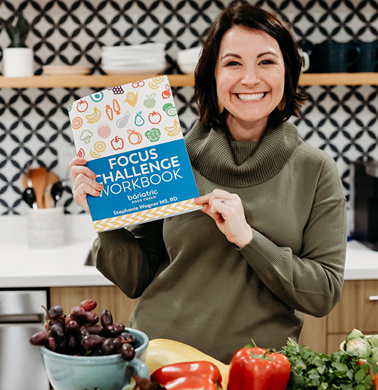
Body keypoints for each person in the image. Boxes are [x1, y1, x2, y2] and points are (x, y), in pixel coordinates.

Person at [69, 3, 347, 364]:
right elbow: (137, 279)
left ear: (288, 72)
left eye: (266, 61)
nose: (250, 78)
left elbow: (323, 294)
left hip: (258, 374)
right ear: (212, 75)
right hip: (159, 364)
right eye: (233, 63)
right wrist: (105, 215)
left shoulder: (316, 170)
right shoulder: (169, 157)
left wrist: (247, 238)